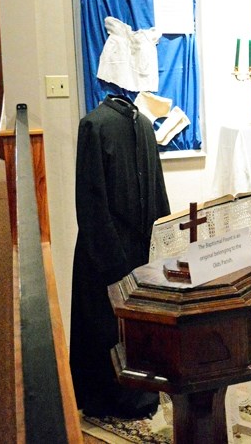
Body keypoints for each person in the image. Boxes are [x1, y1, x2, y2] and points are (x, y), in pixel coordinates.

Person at [69, 95, 170, 419]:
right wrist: (160, 244)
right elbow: (93, 198)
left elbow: (90, 197)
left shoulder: (108, 124)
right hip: (117, 249)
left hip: (115, 248)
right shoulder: (104, 125)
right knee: (110, 325)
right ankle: (118, 398)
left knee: (126, 324)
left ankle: (122, 397)